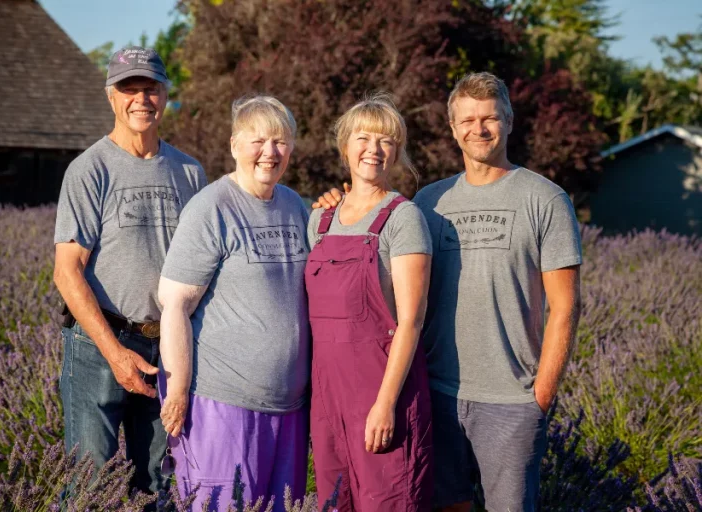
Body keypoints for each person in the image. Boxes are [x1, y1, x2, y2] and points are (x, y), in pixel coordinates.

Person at [316, 73, 582, 512]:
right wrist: (336, 202)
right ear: (453, 128)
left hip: (511, 400)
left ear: (509, 120)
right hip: (435, 391)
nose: (479, 129)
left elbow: (566, 307)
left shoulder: (545, 199)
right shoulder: (427, 203)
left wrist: (541, 396)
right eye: (468, 120)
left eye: (490, 118)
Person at [53, 46, 207, 498]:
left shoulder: (190, 173)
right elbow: (67, 272)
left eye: (151, 88)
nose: (141, 99)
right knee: (89, 483)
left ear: (164, 94)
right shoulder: (89, 170)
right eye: (129, 89)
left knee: (159, 483)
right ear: (111, 96)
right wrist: (116, 355)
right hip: (100, 343)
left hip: (169, 347)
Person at [157, 95, 310, 511]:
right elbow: (174, 304)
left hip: (288, 406)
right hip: (222, 404)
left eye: (280, 141)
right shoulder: (211, 208)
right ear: (234, 146)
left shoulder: (296, 207)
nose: (270, 152)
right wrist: (178, 391)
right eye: (258, 140)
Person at [306, 94, 433, 511]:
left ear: (397, 151)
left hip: (382, 394)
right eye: (363, 138)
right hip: (327, 401)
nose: (373, 150)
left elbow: (411, 322)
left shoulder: (403, 218)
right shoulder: (319, 221)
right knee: (333, 502)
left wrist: (384, 405)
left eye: (385, 141)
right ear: (345, 147)